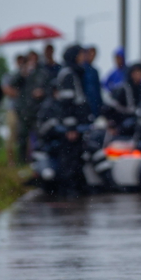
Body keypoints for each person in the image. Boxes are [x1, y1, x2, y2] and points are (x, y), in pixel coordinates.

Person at [52, 44, 94, 196]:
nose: (84, 57)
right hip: (72, 126)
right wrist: (70, 127)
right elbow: (66, 103)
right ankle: (68, 189)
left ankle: (76, 186)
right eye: (81, 54)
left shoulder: (75, 72)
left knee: (76, 156)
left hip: (78, 124)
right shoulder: (68, 74)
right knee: (69, 157)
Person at [107, 63, 141, 137]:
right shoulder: (123, 89)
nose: (138, 75)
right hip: (121, 122)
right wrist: (113, 124)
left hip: (135, 122)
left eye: (140, 72)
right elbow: (111, 107)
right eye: (135, 72)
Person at [1, 55, 25, 165]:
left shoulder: (28, 76)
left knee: (24, 135)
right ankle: (11, 160)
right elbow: (7, 89)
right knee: (11, 135)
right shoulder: (10, 75)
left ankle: (23, 159)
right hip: (13, 109)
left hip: (25, 110)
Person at [83, 45, 103, 118]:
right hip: (85, 104)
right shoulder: (81, 69)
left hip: (95, 104)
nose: (92, 56)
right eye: (90, 54)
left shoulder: (94, 71)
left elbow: (98, 89)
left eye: (94, 54)